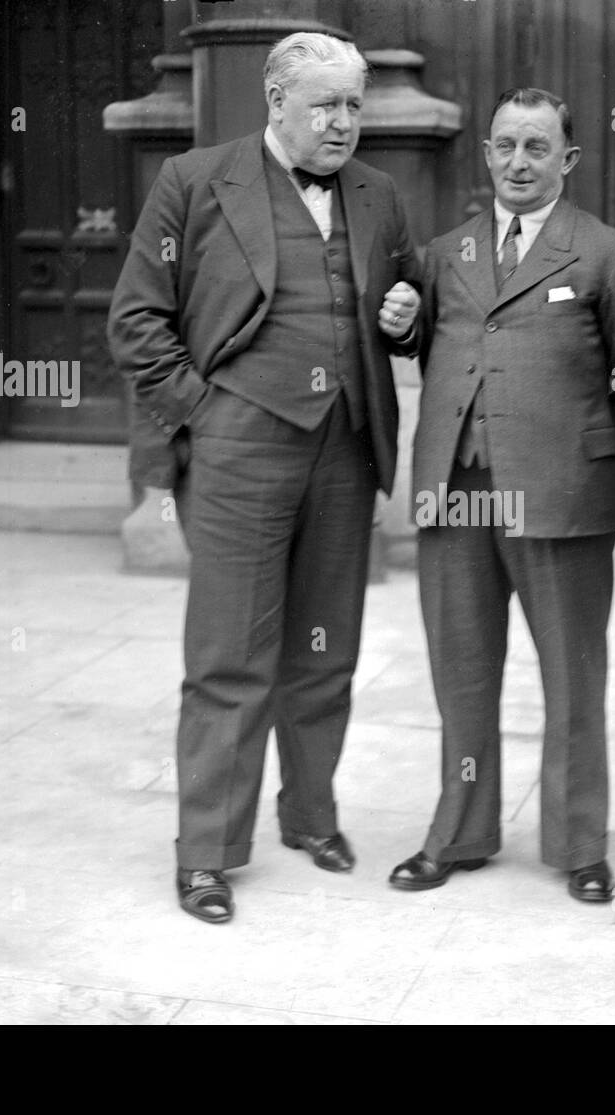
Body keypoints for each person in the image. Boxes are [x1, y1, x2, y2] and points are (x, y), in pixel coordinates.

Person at [107, 32, 422, 924]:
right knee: (229, 656)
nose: (343, 122)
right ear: (276, 100)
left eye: (356, 105)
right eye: (325, 104)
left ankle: (311, 815)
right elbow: (135, 322)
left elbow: (398, 313)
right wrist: (206, 412)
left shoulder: (379, 193)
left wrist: (405, 318)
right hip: (241, 442)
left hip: (346, 443)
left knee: (327, 648)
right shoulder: (195, 181)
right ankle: (206, 852)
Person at [388, 88, 615, 902]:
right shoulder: (446, 253)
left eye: (536, 148)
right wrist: (398, 319)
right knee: (461, 670)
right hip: (459, 489)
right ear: (485, 154)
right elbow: (417, 339)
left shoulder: (610, 257)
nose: (517, 163)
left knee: (573, 676)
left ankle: (580, 845)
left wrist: (595, 465)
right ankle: (460, 832)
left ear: (567, 161)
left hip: (561, 493)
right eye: (504, 145)